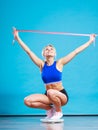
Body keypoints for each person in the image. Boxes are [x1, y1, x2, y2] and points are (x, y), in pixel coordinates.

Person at [13, 28, 95, 120]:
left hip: (61, 96)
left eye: (51, 49)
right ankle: (50, 109)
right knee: (27, 101)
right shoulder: (41, 65)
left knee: (51, 92)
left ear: (55, 53)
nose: (49, 50)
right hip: (48, 95)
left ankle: (58, 112)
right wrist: (17, 38)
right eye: (46, 49)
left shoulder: (59, 63)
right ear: (43, 54)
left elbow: (75, 52)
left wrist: (90, 41)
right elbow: (29, 51)